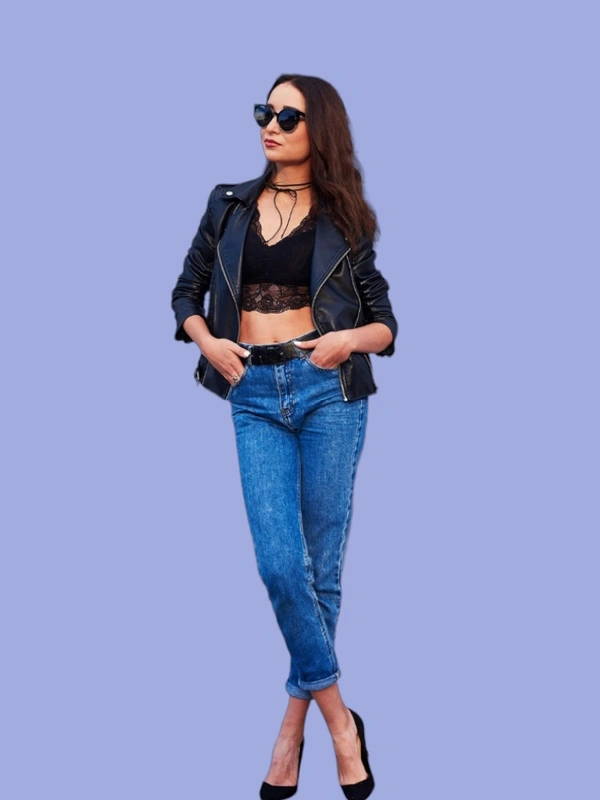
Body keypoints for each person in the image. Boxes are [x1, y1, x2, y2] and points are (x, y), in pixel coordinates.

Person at [171, 74, 397, 800]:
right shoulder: (228, 202)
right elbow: (185, 291)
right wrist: (208, 340)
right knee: (280, 565)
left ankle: (288, 735)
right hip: (252, 393)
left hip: (328, 390)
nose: (270, 124)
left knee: (319, 571)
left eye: (287, 115)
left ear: (317, 128)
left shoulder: (345, 216)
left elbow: (385, 325)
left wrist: (345, 342)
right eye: (264, 111)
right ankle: (341, 724)